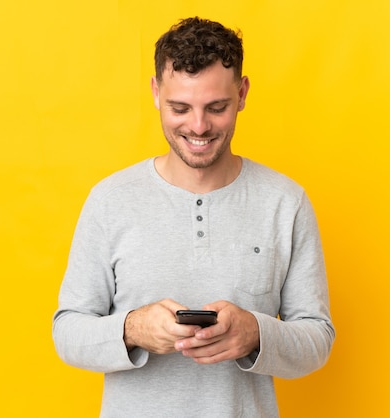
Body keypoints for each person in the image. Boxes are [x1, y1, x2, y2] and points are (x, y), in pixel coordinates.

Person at [53, 17, 335, 418]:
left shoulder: (285, 203)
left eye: (216, 107)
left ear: (241, 93)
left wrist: (255, 333)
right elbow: (67, 332)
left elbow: (317, 339)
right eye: (180, 108)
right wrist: (133, 329)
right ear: (155, 93)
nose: (198, 126)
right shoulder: (110, 200)